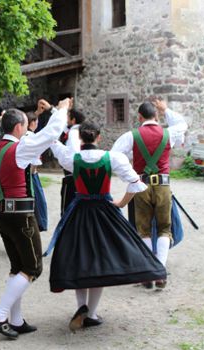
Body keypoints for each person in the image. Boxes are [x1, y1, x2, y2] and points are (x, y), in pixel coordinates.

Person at [45, 121, 167, 331]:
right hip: (104, 211)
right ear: (99, 137)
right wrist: (121, 202)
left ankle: (82, 307)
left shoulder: (71, 159)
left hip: (80, 212)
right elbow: (136, 183)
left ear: (82, 139)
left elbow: (54, 143)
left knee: (79, 260)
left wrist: (55, 128)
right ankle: (91, 313)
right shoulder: (112, 158)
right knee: (100, 262)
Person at [0, 98, 72, 340]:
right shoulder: (21, 147)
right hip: (19, 216)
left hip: (2, 214)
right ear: (18, 127)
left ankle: (15, 320)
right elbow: (51, 134)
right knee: (33, 267)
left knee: (17, 267)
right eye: (26, 126)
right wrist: (61, 109)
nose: (27, 130)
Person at [111, 99, 188, 289]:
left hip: (141, 186)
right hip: (162, 186)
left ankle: (147, 272)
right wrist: (166, 109)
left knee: (143, 229)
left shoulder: (131, 135)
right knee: (164, 229)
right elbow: (183, 124)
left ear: (139, 117)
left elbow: (113, 156)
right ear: (156, 116)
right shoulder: (168, 133)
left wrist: (129, 174)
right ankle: (159, 271)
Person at [59, 109, 86, 215]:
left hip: (72, 175)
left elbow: (75, 153)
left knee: (68, 209)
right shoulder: (78, 131)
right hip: (79, 174)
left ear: (73, 120)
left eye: (68, 116)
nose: (66, 119)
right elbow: (62, 127)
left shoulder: (74, 133)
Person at [24, 112, 48, 232]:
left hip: (23, 173)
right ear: (32, 123)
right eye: (36, 122)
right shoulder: (32, 137)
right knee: (37, 202)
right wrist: (33, 173)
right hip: (31, 174)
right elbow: (34, 160)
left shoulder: (23, 136)